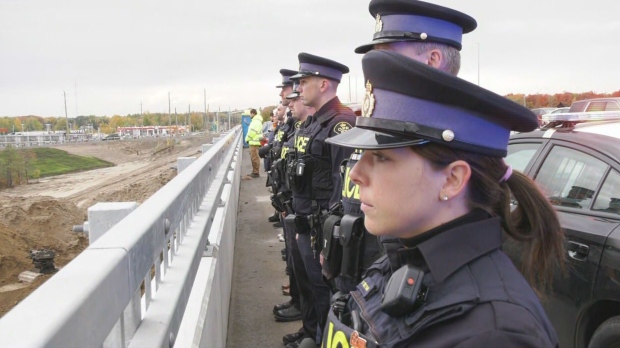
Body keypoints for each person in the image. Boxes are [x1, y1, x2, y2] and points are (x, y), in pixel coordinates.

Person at [313, 49, 565, 348]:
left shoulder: (496, 333)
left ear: (452, 179)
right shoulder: (406, 253)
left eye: (380, 157)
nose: (355, 173)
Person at [322, 0, 478, 293]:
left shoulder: (461, 139)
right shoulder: (383, 123)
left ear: (432, 59)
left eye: (387, 56)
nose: (374, 68)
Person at [283, 52, 356, 347]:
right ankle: (312, 332)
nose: (299, 88)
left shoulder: (341, 123)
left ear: (324, 84)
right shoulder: (312, 123)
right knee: (309, 286)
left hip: (321, 226)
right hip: (303, 221)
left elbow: (345, 181)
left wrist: (331, 231)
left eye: (305, 81)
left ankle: (322, 339)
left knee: (324, 290)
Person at [244, 108, 263, 178]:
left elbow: (252, 132)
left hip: (254, 143)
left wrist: (246, 139)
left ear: (252, 113)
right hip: (255, 142)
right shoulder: (257, 121)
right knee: (255, 157)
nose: (249, 115)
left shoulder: (255, 122)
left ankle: (256, 172)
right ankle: (255, 171)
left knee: (254, 157)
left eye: (250, 114)